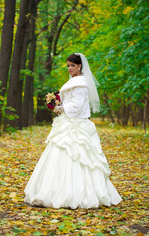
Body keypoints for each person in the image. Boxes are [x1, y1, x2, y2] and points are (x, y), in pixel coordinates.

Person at [24, 53, 122, 209]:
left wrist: (59, 109)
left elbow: (77, 106)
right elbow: (71, 101)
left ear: (80, 66)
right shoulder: (74, 81)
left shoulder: (81, 83)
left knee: (79, 156)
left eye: (73, 65)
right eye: (68, 65)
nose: (70, 68)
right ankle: (54, 190)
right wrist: (56, 102)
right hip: (67, 122)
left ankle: (77, 194)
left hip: (74, 124)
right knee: (58, 155)